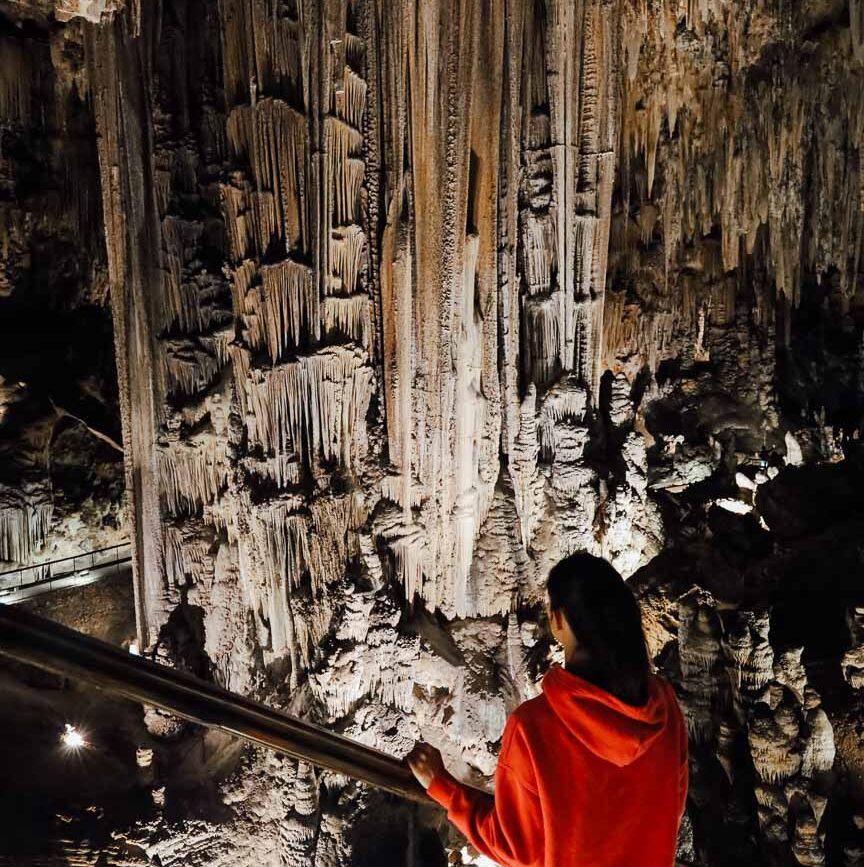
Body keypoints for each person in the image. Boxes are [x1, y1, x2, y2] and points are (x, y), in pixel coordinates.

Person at [406, 552, 688, 867]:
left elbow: (515, 848)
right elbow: (672, 808)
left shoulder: (534, 727)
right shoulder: (663, 709)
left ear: (558, 619)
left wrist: (441, 786)